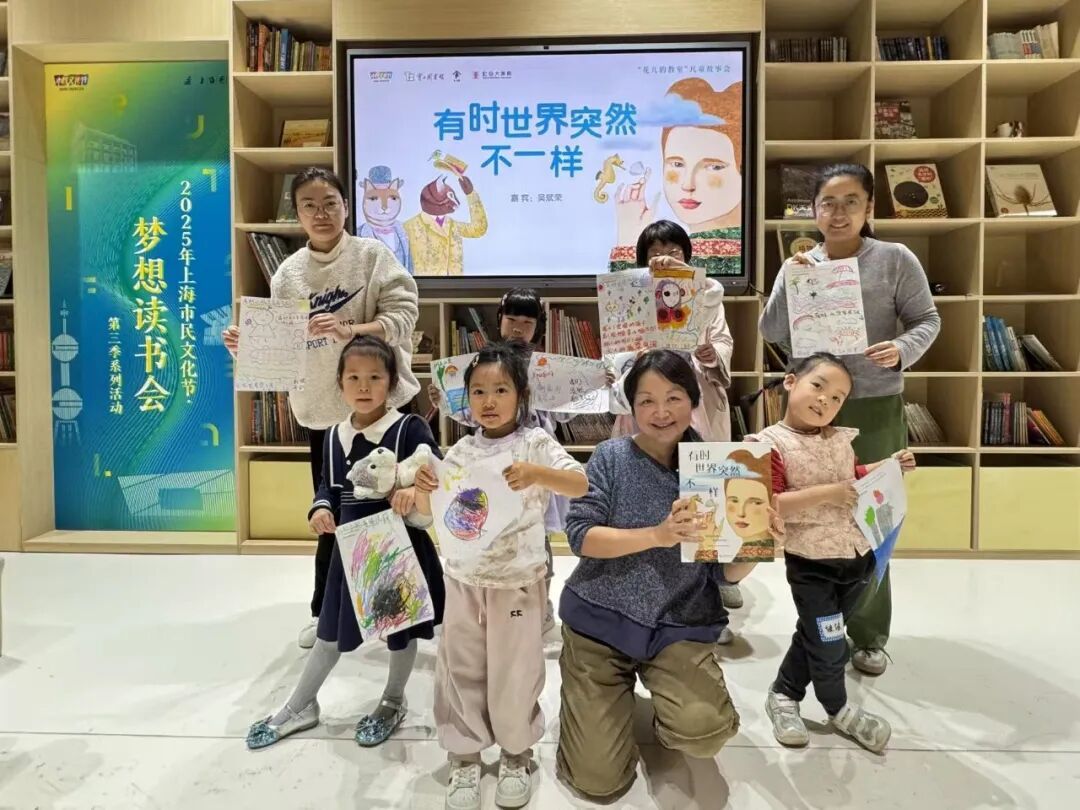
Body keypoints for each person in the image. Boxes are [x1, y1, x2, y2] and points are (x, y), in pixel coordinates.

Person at [223, 167, 421, 649]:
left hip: (382, 413)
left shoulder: (373, 256)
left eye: (330, 203)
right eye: (309, 205)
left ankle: (397, 615)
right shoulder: (288, 274)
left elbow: (403, 316)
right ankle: (326, 613)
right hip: (325, 417)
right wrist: (251, 347)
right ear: (297, 213)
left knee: (394, 513)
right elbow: (285, 348)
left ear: (346, 207)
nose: (321, 213)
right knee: (330, 515)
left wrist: (351, 329)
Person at [760, 162, 940, 676]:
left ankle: (868, 633)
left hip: (874, 401)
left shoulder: (894, 259)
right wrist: (791, 281)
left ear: (869, 208)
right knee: (816, 516)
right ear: (814, 210)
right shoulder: (800, 265)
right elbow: (773, 330)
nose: (838, 214)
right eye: (828, 204)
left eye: (851, 202)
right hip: (811, 410)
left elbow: (927, 319)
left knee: (871, 517)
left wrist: (901, 349)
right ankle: (821, 628)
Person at [556, 350, 742, 801]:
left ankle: (665, 697)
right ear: (631, 407)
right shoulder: (611, 456)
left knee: (704, 732)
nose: (661, 412)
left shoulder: (718, 467)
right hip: (600, 619)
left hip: (678, 622)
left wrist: (757, 543)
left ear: (693, 400)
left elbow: (725, 572)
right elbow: (581, 535)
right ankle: (597, 698)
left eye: (674, 397)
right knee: (597, 780)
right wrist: (657, 535)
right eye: (646, 401)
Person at [245, 337, 443, 749]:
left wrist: (413, 489)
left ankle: (393, 700)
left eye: (375, 377)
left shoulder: (409, 428)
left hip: (397, 547)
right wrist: (320, 508)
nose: (364, 386)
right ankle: (301, 704)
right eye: (353, 377)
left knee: (400, 630)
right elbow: (329, 487)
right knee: (329, 630)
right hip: (349, 551)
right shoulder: (335, 435)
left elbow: (433, 469)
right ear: (340, 383)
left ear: (392, 383)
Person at [414, 341, 588, 810]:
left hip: (517, 581)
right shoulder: (462, 450)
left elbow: (580, 482)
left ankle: (515, 752)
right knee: (461, 666)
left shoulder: (535, 443)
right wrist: (424, 487)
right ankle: (465, 755)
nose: (488, 401)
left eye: (501, 390)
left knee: (515, 669)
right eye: (478, 391)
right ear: (466, 398)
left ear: (522, 394)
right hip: (463, 579)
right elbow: (433, 513)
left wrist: (536, 474)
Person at [751, 352, 915, 753]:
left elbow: (853, 480)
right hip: (812, 565)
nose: (825, 400)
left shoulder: (840, 439)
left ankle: (783, 694)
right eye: (818, 386)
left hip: (858, 559)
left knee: (818, 632)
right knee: (829, 643)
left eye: (838, 397)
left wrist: (888, 466)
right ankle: (838, 709)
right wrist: (828, 494)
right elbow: (770, 502)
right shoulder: (768, 444)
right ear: (791, 381)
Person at [609, 221, 752, 609]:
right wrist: (632, 359)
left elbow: (721, 340)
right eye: (655, 253)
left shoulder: (706, 295)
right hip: (646, 401)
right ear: (643, 261)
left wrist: (711, 354)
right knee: (645, 484)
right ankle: (644, 566)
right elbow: (617, 354)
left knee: (702, 483)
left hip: (694, 400)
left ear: (688, 257)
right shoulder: (630, 297)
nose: (664, 259)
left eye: (673, 251)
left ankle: (716, 574)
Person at [427, 289, 570, 634]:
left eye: (527, 322)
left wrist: (592, 387)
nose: (518, 328)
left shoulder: (547, 367)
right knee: (493, 524)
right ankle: (491, 598)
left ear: (538, 327)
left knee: (535, 533)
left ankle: (539, 602)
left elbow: (564, 413)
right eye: (512, 320)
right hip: (491, 465)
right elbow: (470, 413)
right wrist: (444, 400)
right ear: (499, 321)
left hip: (531, 461)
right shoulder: (483, 364)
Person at [610, 79, 744, 276]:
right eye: (677, 164)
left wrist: (628, 240)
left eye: (713, 167)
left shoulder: (728, 253)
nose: (687, 184)